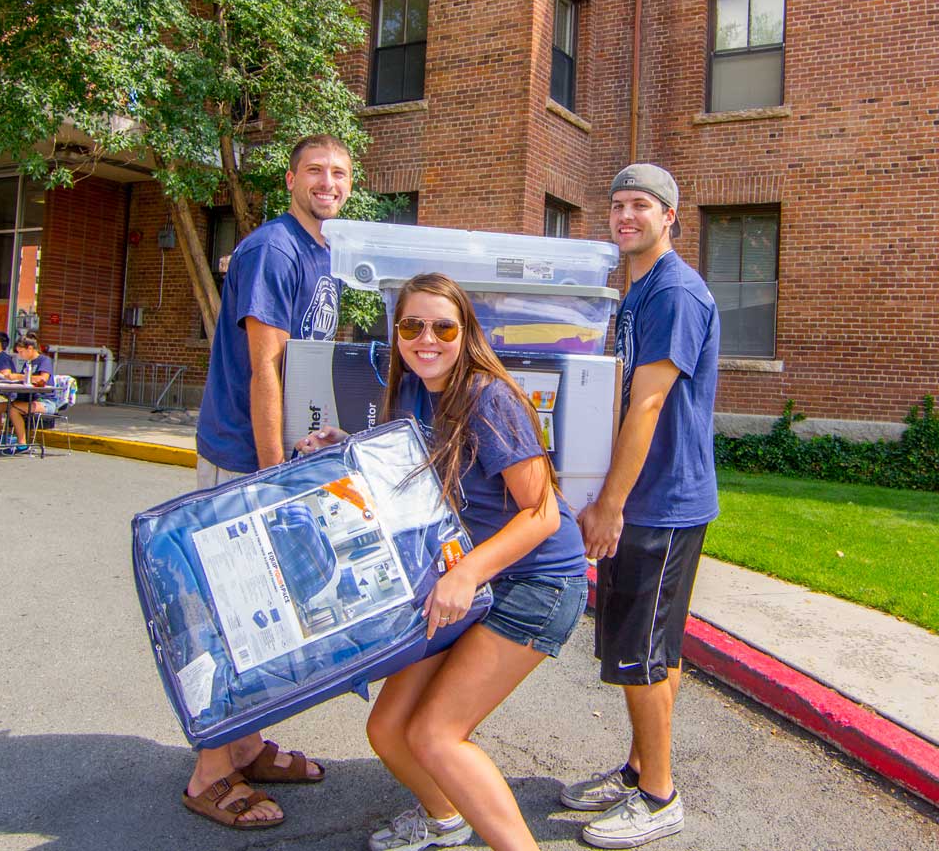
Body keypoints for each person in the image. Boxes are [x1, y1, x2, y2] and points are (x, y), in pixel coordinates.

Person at [296, 273, 589, 851]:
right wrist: (346, 444)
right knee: (387, 730)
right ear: (397, 331)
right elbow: (413, 470)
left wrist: (464, 574)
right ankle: (444, 817)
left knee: (435, 734)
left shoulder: (489, 398)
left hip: (536, 580)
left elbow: (543, 514)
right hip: (473, 576)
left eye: (442, 327)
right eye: (411, 326)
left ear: (465, 332)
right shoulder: (410, 390)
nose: (426, 338)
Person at [180, 134, 352, 831]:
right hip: (244, 456)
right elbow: (266, 369)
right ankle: (208, 773)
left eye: (339, 173)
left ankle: (246, 745)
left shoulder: (324, 252)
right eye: (316, 170)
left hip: (278, 454)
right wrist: (273, 472)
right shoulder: (273, 250)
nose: (328, 182)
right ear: (290, 179)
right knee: (238, 614)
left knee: (277, 618)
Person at [559, 164, 720, 849]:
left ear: (670, 216)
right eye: (618, 205)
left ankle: (659, 797)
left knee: (642, 654)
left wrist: (610, 504)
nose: (627, 216)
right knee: (655, 648)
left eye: (642, 206)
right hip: (653, 498)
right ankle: (638, 769)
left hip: (660, 502)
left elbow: (649, 401)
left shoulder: (676, 292)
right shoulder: (640, 292)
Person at [0, 334, 54, 453]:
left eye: (21, 352)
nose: (20, 355)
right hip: (25, 399)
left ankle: (22, 443)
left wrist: (18, 376)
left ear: (30, 348)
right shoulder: (27, 363)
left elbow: (42, 379)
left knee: (13, 410)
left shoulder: (44, 360)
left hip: (43, 401)